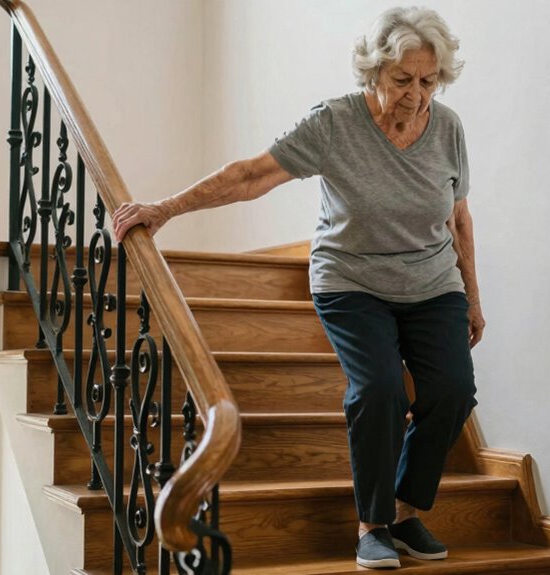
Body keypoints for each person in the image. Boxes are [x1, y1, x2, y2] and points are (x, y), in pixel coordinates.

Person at [112, 6, 483, 570]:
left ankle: (406, 510)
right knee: (380, 387)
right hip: (351, 280)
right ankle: (372, 526)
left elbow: (458, 217)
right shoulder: (334, 124)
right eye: (401, 80)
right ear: (373, 73)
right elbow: (251, 174)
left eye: (428, 81)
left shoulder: (448, 127)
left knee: (453, 389)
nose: (416, 95)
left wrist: (473, 299)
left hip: (432, 282)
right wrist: (166, 209)